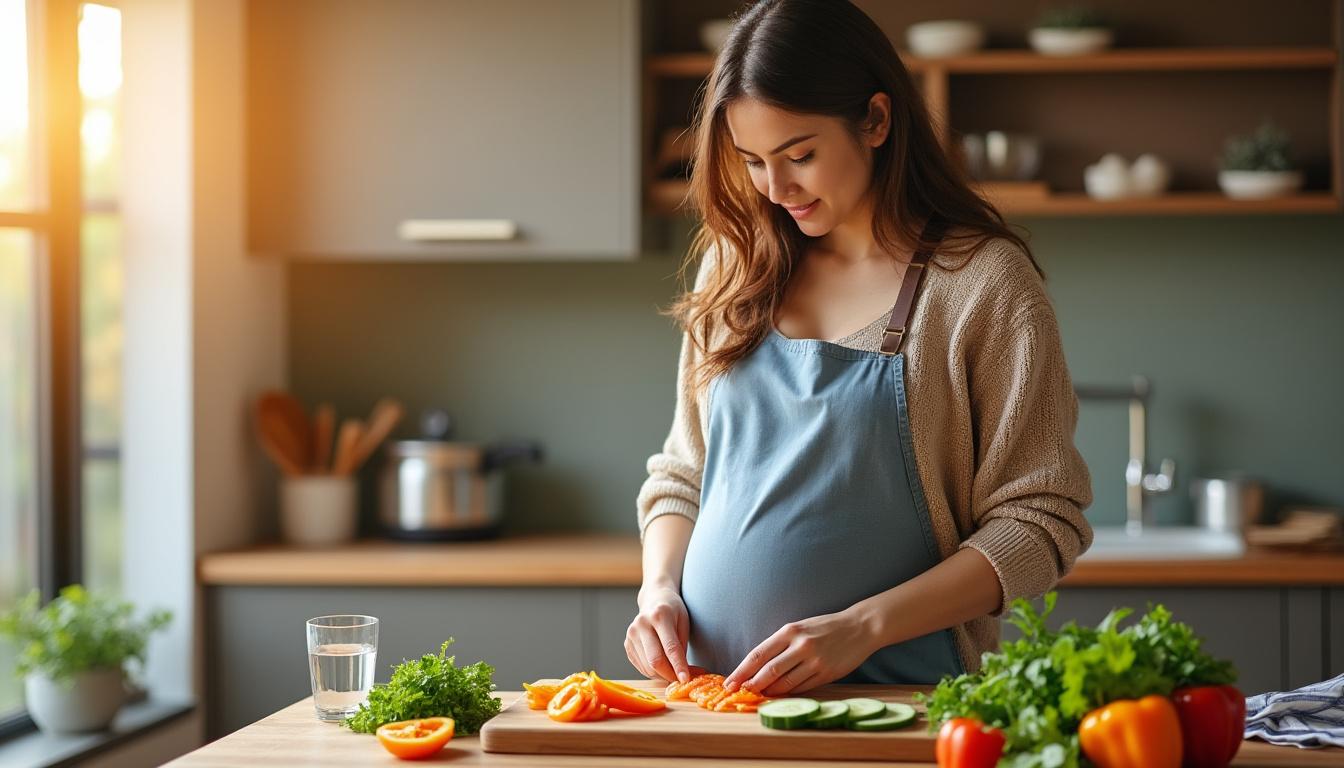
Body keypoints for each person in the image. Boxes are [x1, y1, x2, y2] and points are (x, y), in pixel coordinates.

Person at [628, 0, 1093, 697]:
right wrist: (659, 587)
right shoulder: (735, 263)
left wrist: (863, 627)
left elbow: (1040, 521)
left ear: (876, 120)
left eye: (800, 155)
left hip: (902, 702)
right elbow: (685, 473)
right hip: (715, 704)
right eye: (752, 161)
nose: (776, 189)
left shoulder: (981, 284)